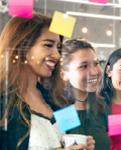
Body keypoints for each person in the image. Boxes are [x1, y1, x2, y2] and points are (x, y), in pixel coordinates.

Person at [0, 13, 94, 150]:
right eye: (48, 45)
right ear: (22, 45)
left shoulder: (60, 99)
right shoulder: (4, 102)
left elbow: (73, 135)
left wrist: (83, 144)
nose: (56, 55)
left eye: (58, 47)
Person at [60, 39, 109, 150]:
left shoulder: (103, 106)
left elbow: (120, 143)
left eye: (96, 63)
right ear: (64, 74)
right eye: (83, 66)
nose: (94, 72)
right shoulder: (60, 110)